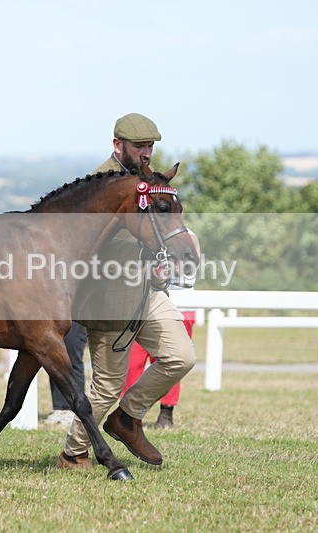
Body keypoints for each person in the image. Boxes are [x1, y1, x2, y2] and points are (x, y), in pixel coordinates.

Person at [57, 113, 197, 469]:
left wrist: (163, 259)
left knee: (181, 356)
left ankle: (127, 419)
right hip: (108, 298)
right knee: (106, 387)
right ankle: (73, 453)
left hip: (148, 293)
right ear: (117, 145)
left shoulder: (153, 181)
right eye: (140, 146)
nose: (147, 153)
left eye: (150, 146)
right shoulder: (95, 184)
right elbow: (82, 246)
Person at [120, 230, 200, 429]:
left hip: (180, 305)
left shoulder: (188, 236)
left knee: (172, 361)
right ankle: (128, 413)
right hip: (145, 304)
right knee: (132, 362)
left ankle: (166, 412)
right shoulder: (143, 235)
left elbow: (185, 269)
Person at [44, 322, 87, 427]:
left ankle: (74, 410)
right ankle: (60, 408)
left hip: (75, 316)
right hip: (54, 313)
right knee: (54, 361)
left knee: (73, 360)